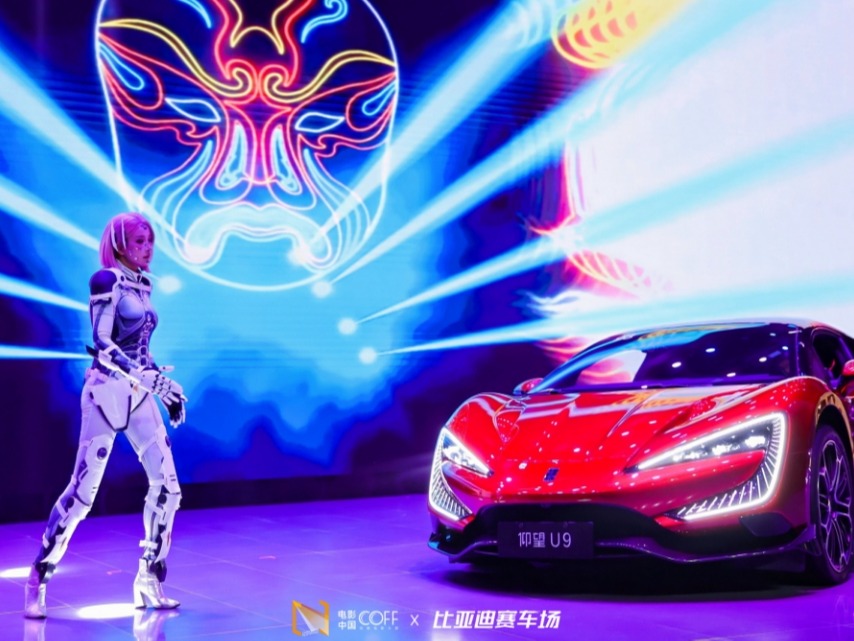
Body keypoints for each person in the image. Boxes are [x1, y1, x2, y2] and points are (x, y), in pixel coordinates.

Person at [24, 212, 187, 619]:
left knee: (168, 488)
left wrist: (165, 388)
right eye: (138, 242)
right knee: (82, 496)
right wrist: (147, 378)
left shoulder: (143, 285)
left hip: (138, 395)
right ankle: (38, 577)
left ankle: (149, 578)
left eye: (150, 241)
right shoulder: (106, 280)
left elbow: (140, 349)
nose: (147, 249)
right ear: (119, 245)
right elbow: (101, 342)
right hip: (105, 393)